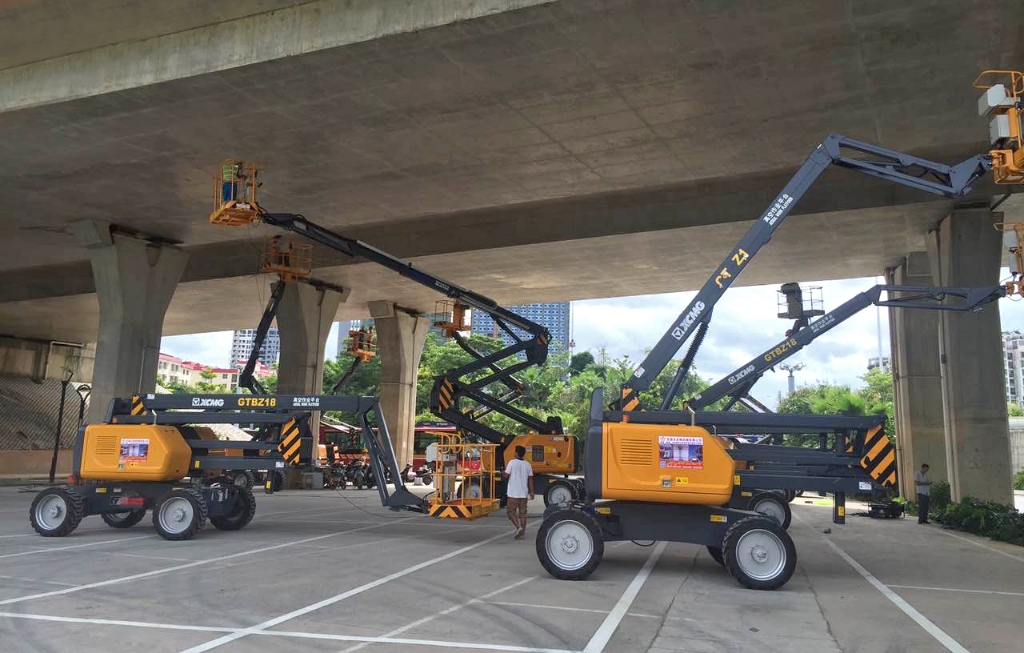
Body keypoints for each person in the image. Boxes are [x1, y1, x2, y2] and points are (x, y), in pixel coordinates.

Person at [502, 445, 534, 540]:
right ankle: (522, 534)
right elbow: (531, 479)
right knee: (523, 514)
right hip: (523, 493)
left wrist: (503, 472)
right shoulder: (528, 464)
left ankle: (518, 527)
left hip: (513, 493)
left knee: (510, 512)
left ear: (516, 453)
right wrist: (532, 492)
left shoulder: (512, 462)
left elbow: (506, 476)